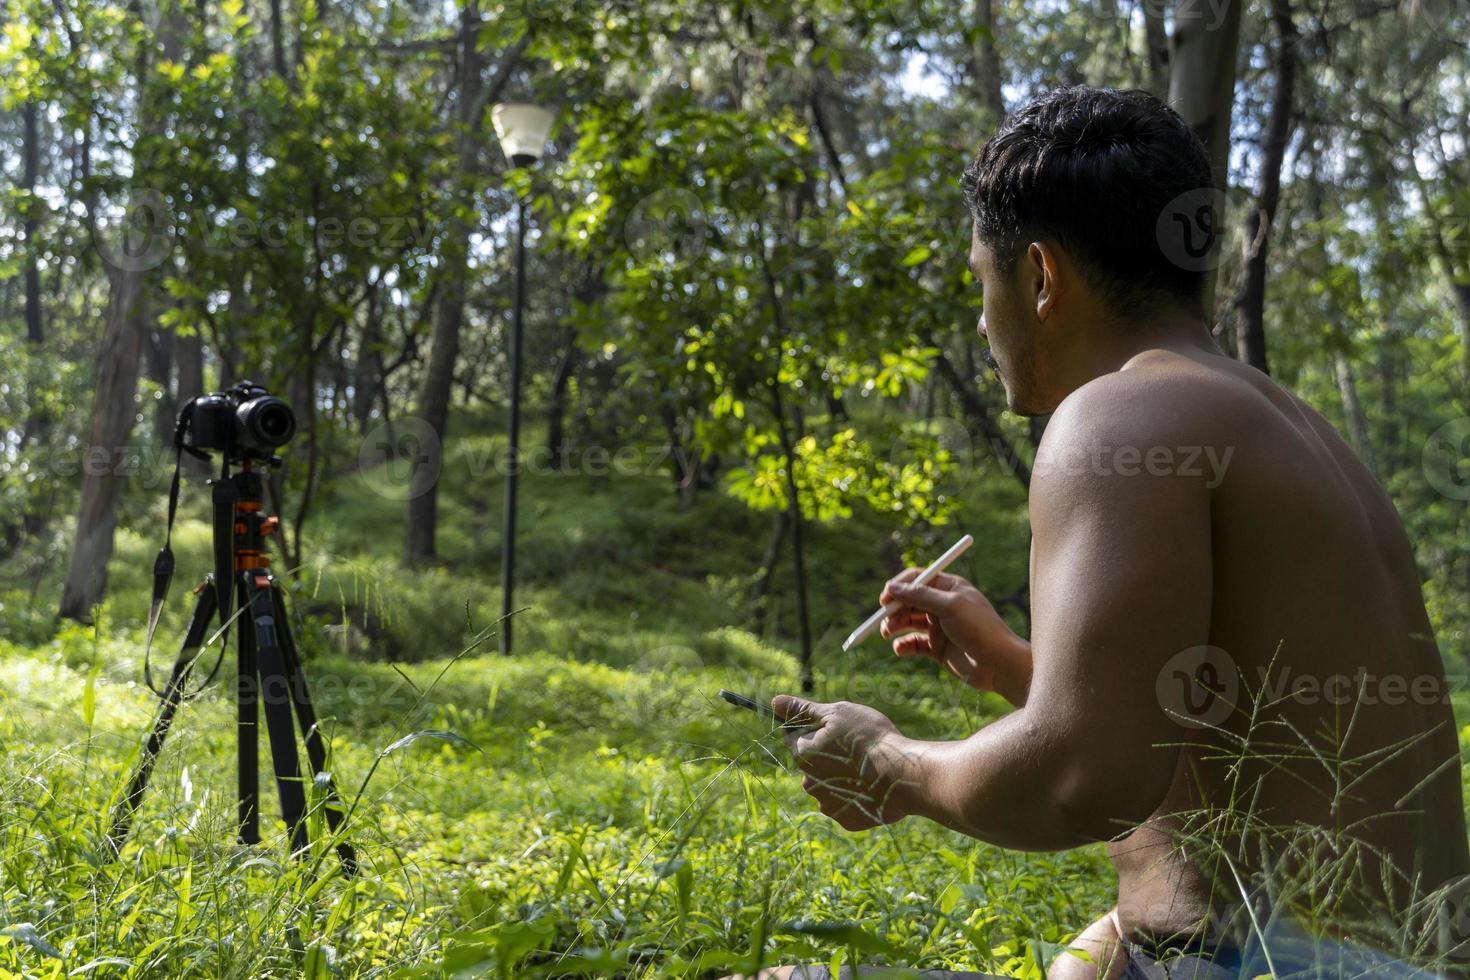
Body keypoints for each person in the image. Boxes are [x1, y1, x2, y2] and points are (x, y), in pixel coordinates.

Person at [747, 86, 1470, 979]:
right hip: (1396, 961)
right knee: (1092, 952)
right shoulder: (1291, 425)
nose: (982, 321)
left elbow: (1086, 778)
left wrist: (887, 761)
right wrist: (1020, 667)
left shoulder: (1114, 419)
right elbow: (1195, 736)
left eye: (983, 280)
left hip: (1273, 964)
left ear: (1042, 277)